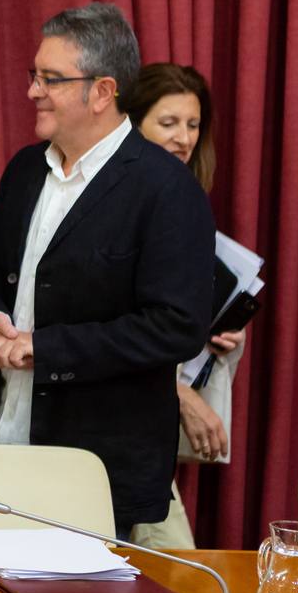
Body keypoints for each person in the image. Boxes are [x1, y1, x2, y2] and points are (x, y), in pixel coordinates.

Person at [0, 2, 215, 538]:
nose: (33, 91)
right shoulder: (26, 169)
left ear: (101, 92)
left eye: (51, 79)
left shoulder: (166, 189)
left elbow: (176, 326)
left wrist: (44, 349)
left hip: (94, 465)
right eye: (34, 75)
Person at [123, 62, 245, 549]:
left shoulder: (187, 203)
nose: (184, 138)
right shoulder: (116, 204)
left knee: (167, 573)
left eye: (193, 125)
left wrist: (219, 337)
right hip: (114, 424)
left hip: (150, 430)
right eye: (168, 123)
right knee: (173, 570)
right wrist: (180, 394)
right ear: (131, 124)